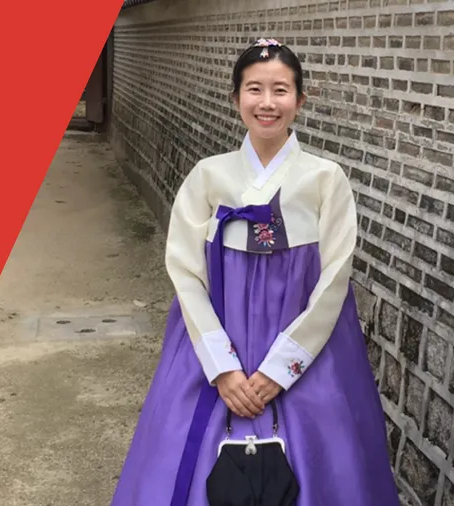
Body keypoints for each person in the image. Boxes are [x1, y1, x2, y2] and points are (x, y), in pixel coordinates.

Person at [109, 39, 400, 506]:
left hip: (308, 346)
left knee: (330, 457)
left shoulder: (325, 179)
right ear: (235, 97)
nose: (267, 103)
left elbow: (334, 280)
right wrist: (223, 369)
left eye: (281, 90)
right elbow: (185, 271)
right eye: (255, 89)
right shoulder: (207, 176)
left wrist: (281, 370)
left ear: (301, 100)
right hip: (216, 340)